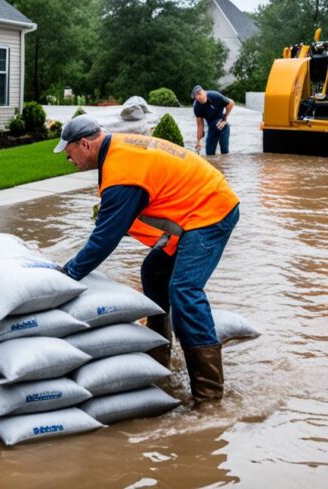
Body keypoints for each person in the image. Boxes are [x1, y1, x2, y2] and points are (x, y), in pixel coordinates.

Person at [55, 115, 240, 404]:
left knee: (184, 291)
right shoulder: (119, 151)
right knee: (153, 270)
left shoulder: (121, 173)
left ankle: (208, 396)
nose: (69, 160)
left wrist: (67, 275)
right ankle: (158, 355)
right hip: (195, 206)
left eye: (69, 154)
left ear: (85, 144)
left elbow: (103, 240)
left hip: (211, 211)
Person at [192, 85, 234, 155]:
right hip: (212, 128)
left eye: (200, 94)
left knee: (224, 153)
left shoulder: (214, 95)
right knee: (209, 154)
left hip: (223, 126)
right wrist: (198, 141)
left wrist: (225, 119)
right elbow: (200, 126)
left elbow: (231, 103)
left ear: (205, 92)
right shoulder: (197, 107)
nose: (200, 98)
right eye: (197, 98)